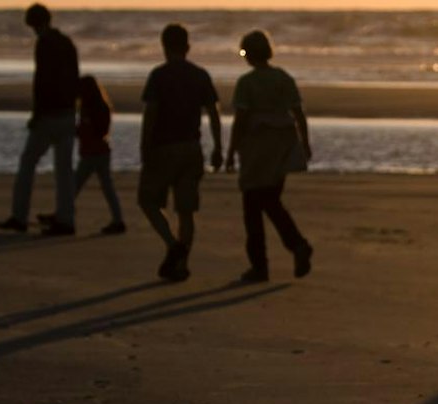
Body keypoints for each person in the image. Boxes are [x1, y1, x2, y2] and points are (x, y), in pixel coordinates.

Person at [225, 30, 313, 283]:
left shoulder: (247, 83)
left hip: (257, 147)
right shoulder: (283, 78)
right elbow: (298, 113)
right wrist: (305, 143)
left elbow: (240, 121)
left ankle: (264, 264)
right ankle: (295, 246)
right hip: (282, 146)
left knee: (253, 206)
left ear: (248, 55)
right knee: (271, 200)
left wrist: (231, 151)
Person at [138, 23, 223, 282]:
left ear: (164, 47)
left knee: (148, 201)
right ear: (187, 47)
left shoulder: (159, 75)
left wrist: (144, 146)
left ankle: (173, 245)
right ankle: (181, 262)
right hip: (191, 147)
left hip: (164, 146)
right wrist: (218, 146)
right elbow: (213, 114)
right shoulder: (200, 75)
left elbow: (150, 113)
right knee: (186, 211)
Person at [0, 5, 80, 237]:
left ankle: (19, 216)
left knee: (28, 163)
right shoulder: (67, 42)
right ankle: (66, 219)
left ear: (34, 24)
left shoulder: (44, 44)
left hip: (49, 114)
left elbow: (42, 81)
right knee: (64, 170)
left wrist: (37, 113)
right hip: (67, 112)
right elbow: (74, 78)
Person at [63, 75, 125, 236]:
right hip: (100, 152)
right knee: (106, 187)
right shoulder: (100, 106)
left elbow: (94, 131)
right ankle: (118, 219)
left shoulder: (91, 108)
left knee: (74, 186)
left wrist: (77, 130)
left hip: (93, 153)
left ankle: (63, 214)